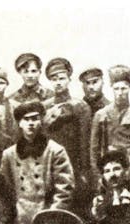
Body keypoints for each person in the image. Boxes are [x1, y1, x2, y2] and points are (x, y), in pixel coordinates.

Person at [0, 101, 74, 224]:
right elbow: (5, 190)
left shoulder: (55, 150)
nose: (31, 123)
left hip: (48, 215)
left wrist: (52, 217)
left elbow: (64, 189)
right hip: (20, 217)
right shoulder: (9, 154)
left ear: (41, 121)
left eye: (35, 119)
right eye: (26, 119)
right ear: (19, 123)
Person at [42, 58, 93, 214]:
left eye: (62, 78)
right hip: (51, 166)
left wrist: (84, 171)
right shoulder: (44, 107)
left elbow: (85, 142)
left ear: (69, 79)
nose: (58, 83)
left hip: (74, 166)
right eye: (54, 79)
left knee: (76, 207)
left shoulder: (80, 106)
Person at [90, 65, 130, 182]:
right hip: (109, 168)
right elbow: (93, 150)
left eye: (123, 88)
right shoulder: (101, 115)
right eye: (116, 88)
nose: (120, 92)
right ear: (111, 88)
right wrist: (98, 176)